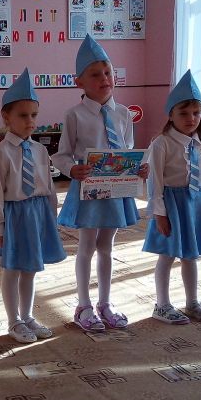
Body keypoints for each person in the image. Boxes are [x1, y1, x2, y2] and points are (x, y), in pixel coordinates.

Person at [53, 35, 147, 332]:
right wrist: (72, 169)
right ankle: (83, 305)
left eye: (108, 72)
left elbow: (127, 149)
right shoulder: (74, 115)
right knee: (86, 246)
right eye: (95, 74)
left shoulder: (123, 114)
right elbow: (61, 154)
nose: (104, 79)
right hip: (89, 191)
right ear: (79, 81)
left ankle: (105, 303)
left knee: (107, 246)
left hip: (116, 191)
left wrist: (138, 169)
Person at [0, 68, 67, 343]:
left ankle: (28, 315)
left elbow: (49, 186)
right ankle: (14, 321)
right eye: (23, 115)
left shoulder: (41, 150)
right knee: (12, 269)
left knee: (31, 268)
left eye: (34, 115)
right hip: (15, 215)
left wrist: (52, 217)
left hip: (38, 213)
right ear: (6, 117)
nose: (30, 121)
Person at [142, 70, 201, 324]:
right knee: (167, 255)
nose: (191, 119)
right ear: (171, 114)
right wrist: (159, 214)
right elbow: (155, 183)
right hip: (173, 206)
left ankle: (192, 302)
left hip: (197, 205)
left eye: (196, 113)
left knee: (191, 255)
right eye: (184, 113)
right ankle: (162, 305)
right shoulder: (162, 143)